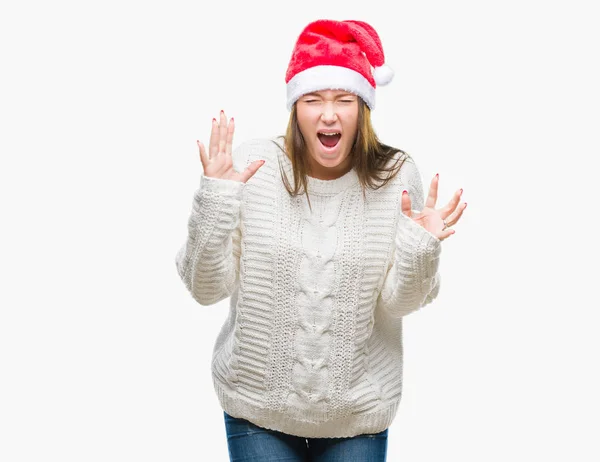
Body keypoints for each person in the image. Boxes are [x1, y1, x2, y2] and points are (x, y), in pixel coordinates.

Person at [175, 19, 466, 462]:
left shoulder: (396, 177)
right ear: (296, 108)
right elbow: (204, 289)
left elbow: (400, 303)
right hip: (256, 409)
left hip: (357, 416)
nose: (328, 114)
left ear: (362, 109)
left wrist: (420, 247)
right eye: (314, 100)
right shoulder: (253, 165)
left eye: (343, 100)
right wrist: (215, 198)